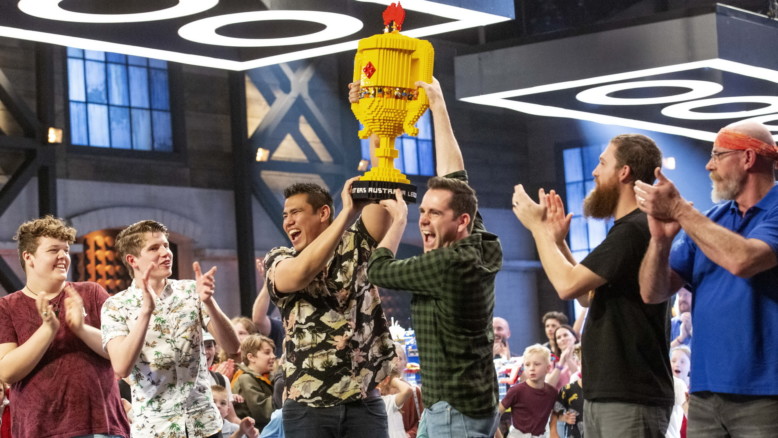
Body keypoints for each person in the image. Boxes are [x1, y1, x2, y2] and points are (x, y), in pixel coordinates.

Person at [512, 133, 674, 437]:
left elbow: (566, 286)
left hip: (630, 395)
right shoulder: (626, 230)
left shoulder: (634, 230)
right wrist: (558, 243)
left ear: (623, 172)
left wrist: (538, 229)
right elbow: (588, 295)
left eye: (602, 163)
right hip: (612, 394)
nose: (594, 172)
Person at [366, 78, 502, 437]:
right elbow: (455, 175)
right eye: (422, 210)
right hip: (465, 402)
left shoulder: (447, 264)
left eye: (434, 213)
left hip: (454, 410)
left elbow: (377, 268)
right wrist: (437, 104)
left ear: (461, 221)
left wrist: (399, 220)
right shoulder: (478, 243)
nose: (423, 220)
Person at [635, 120, 778, 436]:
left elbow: (744, 259)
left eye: (717, 155)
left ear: (748, 158)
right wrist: (660, 242)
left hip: (766, 393)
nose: (708, 165)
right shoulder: (713, 219)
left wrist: (679, 209)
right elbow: (652, 293)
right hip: (704, 392)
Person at [263, 126, 395, 436]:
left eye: (296, 212)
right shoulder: (280, 258)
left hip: (363, 400)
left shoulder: (355, 244)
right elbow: (300, 274)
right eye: (285, 215)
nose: (288, 221)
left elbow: (384, 189)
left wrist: (373, 119)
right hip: (308, 406)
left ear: (323, 213)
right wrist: (347, 213)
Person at [102, 219, 240, 438]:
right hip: (156, 429)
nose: (166, 253)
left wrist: (209, 303)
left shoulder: (190, 291)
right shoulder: (116, 305)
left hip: (204, 424)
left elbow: (233, 347)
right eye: (154, 248)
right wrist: (146, 312)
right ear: (132, 260)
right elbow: (121, 367)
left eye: (166, 245)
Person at [0, 216, 130, 438]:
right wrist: (47, 330)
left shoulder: (92, 292)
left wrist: (81, 329)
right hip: (39, 430)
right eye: (53, 250)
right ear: (29, 257)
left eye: (66, 250)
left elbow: (122, 354)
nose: (63, 256)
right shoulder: (7, 306)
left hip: (102, 428)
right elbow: (6, 372)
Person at [496, 344, 558, 438]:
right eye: (527, 365)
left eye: (537, 364)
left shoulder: (552, 392)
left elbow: (556, 415)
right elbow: (495, 415)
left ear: (548, 368)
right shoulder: (516, 391)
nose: (532, 368)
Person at [232, 334, 276, 431]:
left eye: (273, 352)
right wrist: (282, 392)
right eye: (267, 353)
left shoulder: (267, 376)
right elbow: (264, 414)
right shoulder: (246, 379)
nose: (273, 356)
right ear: (251, 357)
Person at [550, 343, 584, 438]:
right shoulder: (567, 390)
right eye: (583, 361)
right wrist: (564, 418)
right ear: (578, 363)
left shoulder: (605, 390)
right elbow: (555, 414)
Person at [377, 360, 413, 438]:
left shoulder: (386, 402)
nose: (398, 390)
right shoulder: (387, 402)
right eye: (395, 386)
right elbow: (407, 390)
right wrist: (393, 380)